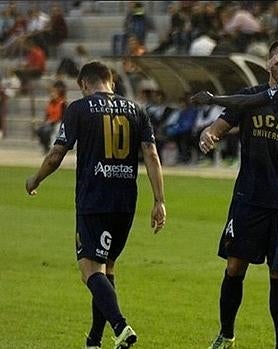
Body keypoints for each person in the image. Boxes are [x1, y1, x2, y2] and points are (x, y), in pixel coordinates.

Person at [25, 61, 166, 349]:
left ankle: (120, 325)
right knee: (107, 268)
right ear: (111, 81)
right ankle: (94, 341)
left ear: (84, 85)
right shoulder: (136, 109)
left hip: (94, 198)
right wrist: (159, 200)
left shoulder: (79, 108)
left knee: (89, 271)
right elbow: (151, 155)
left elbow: (56, 155)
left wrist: (35, 180)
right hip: (126, 200)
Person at [195, 37, 278, 349]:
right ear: (268, 62)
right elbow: (221, 124)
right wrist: (209, 134)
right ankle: (226, 334)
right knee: (234, 266)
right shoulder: (251, 96)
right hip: (249, 198)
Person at [35, 80, 66, 153]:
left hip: (59, 122)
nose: (52, 95)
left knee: (48, 130)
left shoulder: (62, 103)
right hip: (50, 122)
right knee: (39, 130)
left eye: (54, 93)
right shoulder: (50, 103)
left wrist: (51, 121)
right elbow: (47, 115)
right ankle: (45, 147)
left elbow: (61, 116)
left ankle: (52, 148)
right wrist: (44, 122)